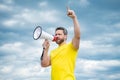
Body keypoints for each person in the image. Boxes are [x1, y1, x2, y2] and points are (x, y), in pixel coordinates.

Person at [41, 7, 80, 80]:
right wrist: (45, 49)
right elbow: (44, 64)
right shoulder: (53, 52)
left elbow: (77, 36)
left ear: (65, 37)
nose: (57, 36)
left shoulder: (71, 47)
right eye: (56, 34)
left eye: (59, 34)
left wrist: (74, 18)